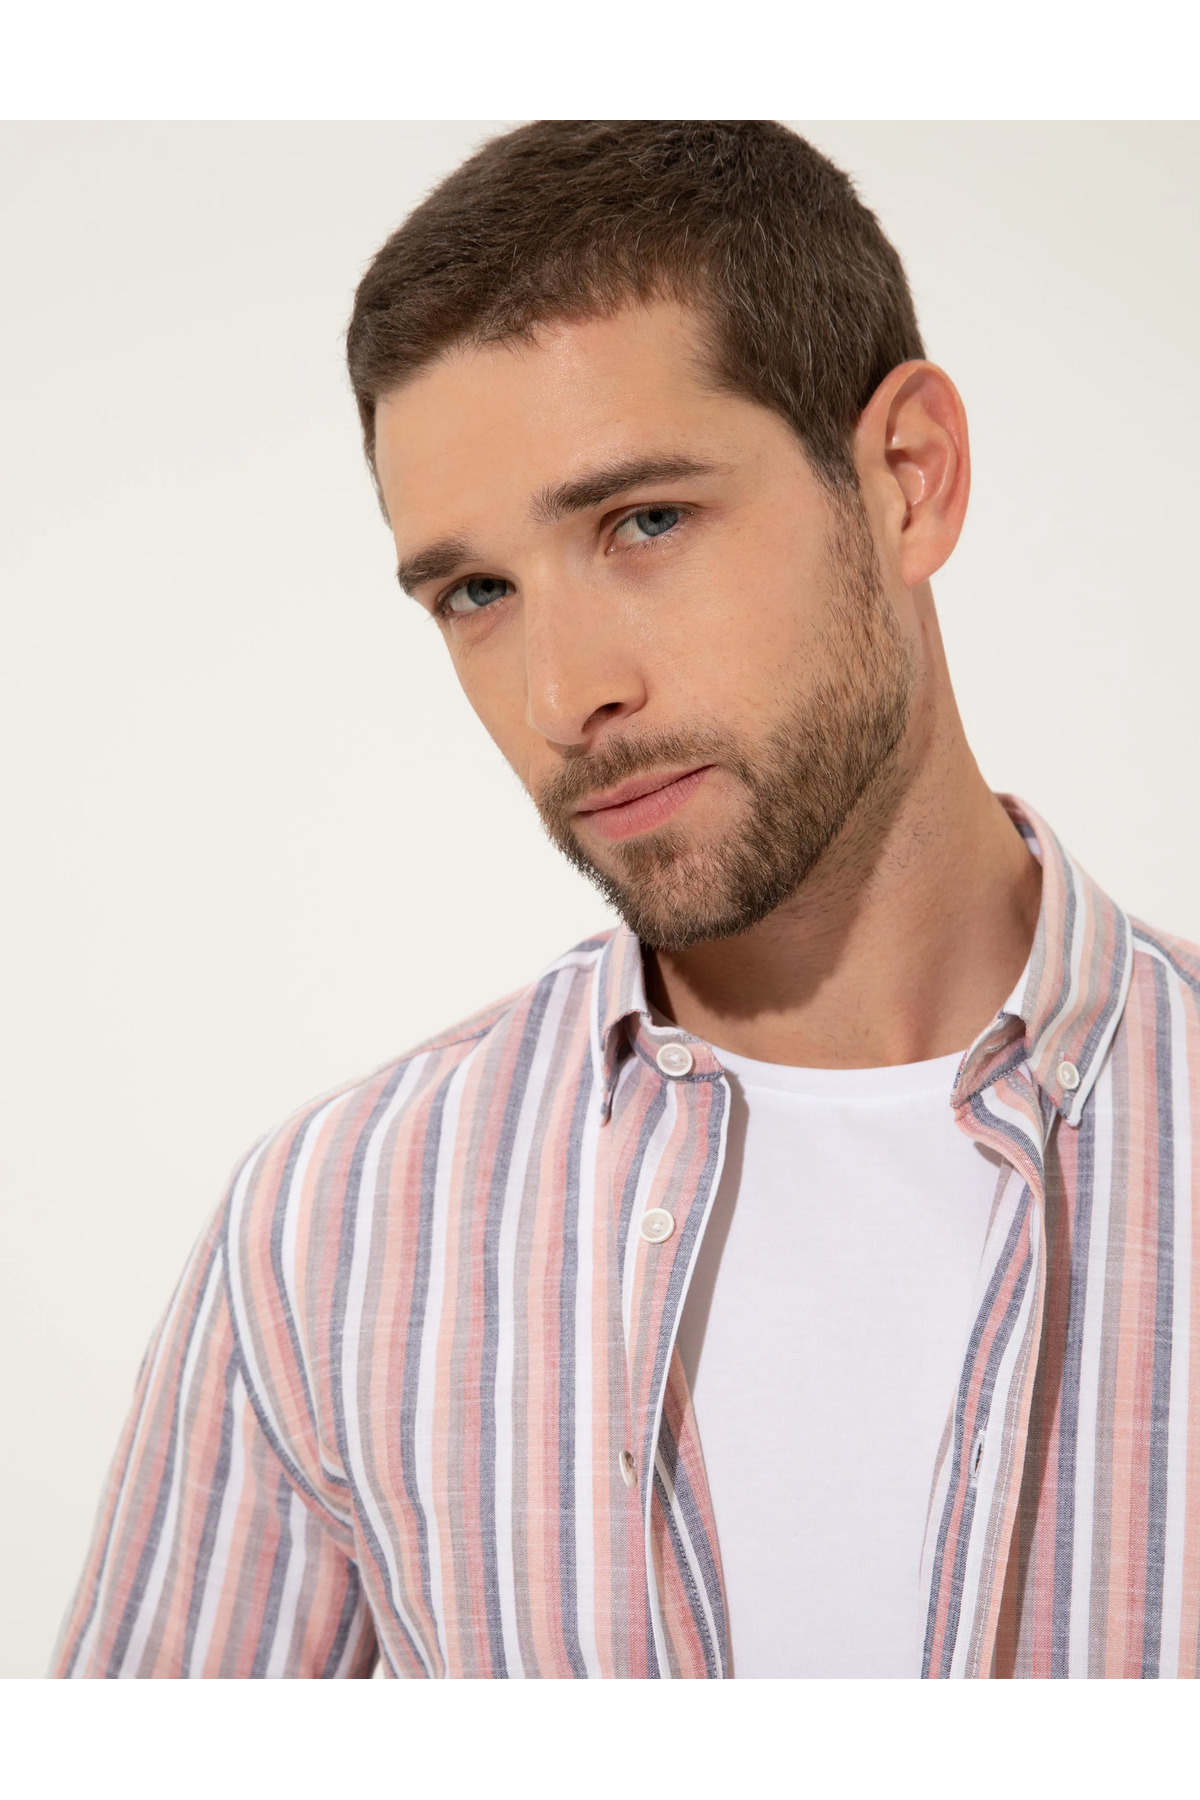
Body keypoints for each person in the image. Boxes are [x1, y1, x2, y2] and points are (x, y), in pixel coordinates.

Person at [54, 119, 1200, 1681]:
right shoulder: (335, 1232)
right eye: (476, 592)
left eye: (645, 522)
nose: (563, 694)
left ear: (908, 482)